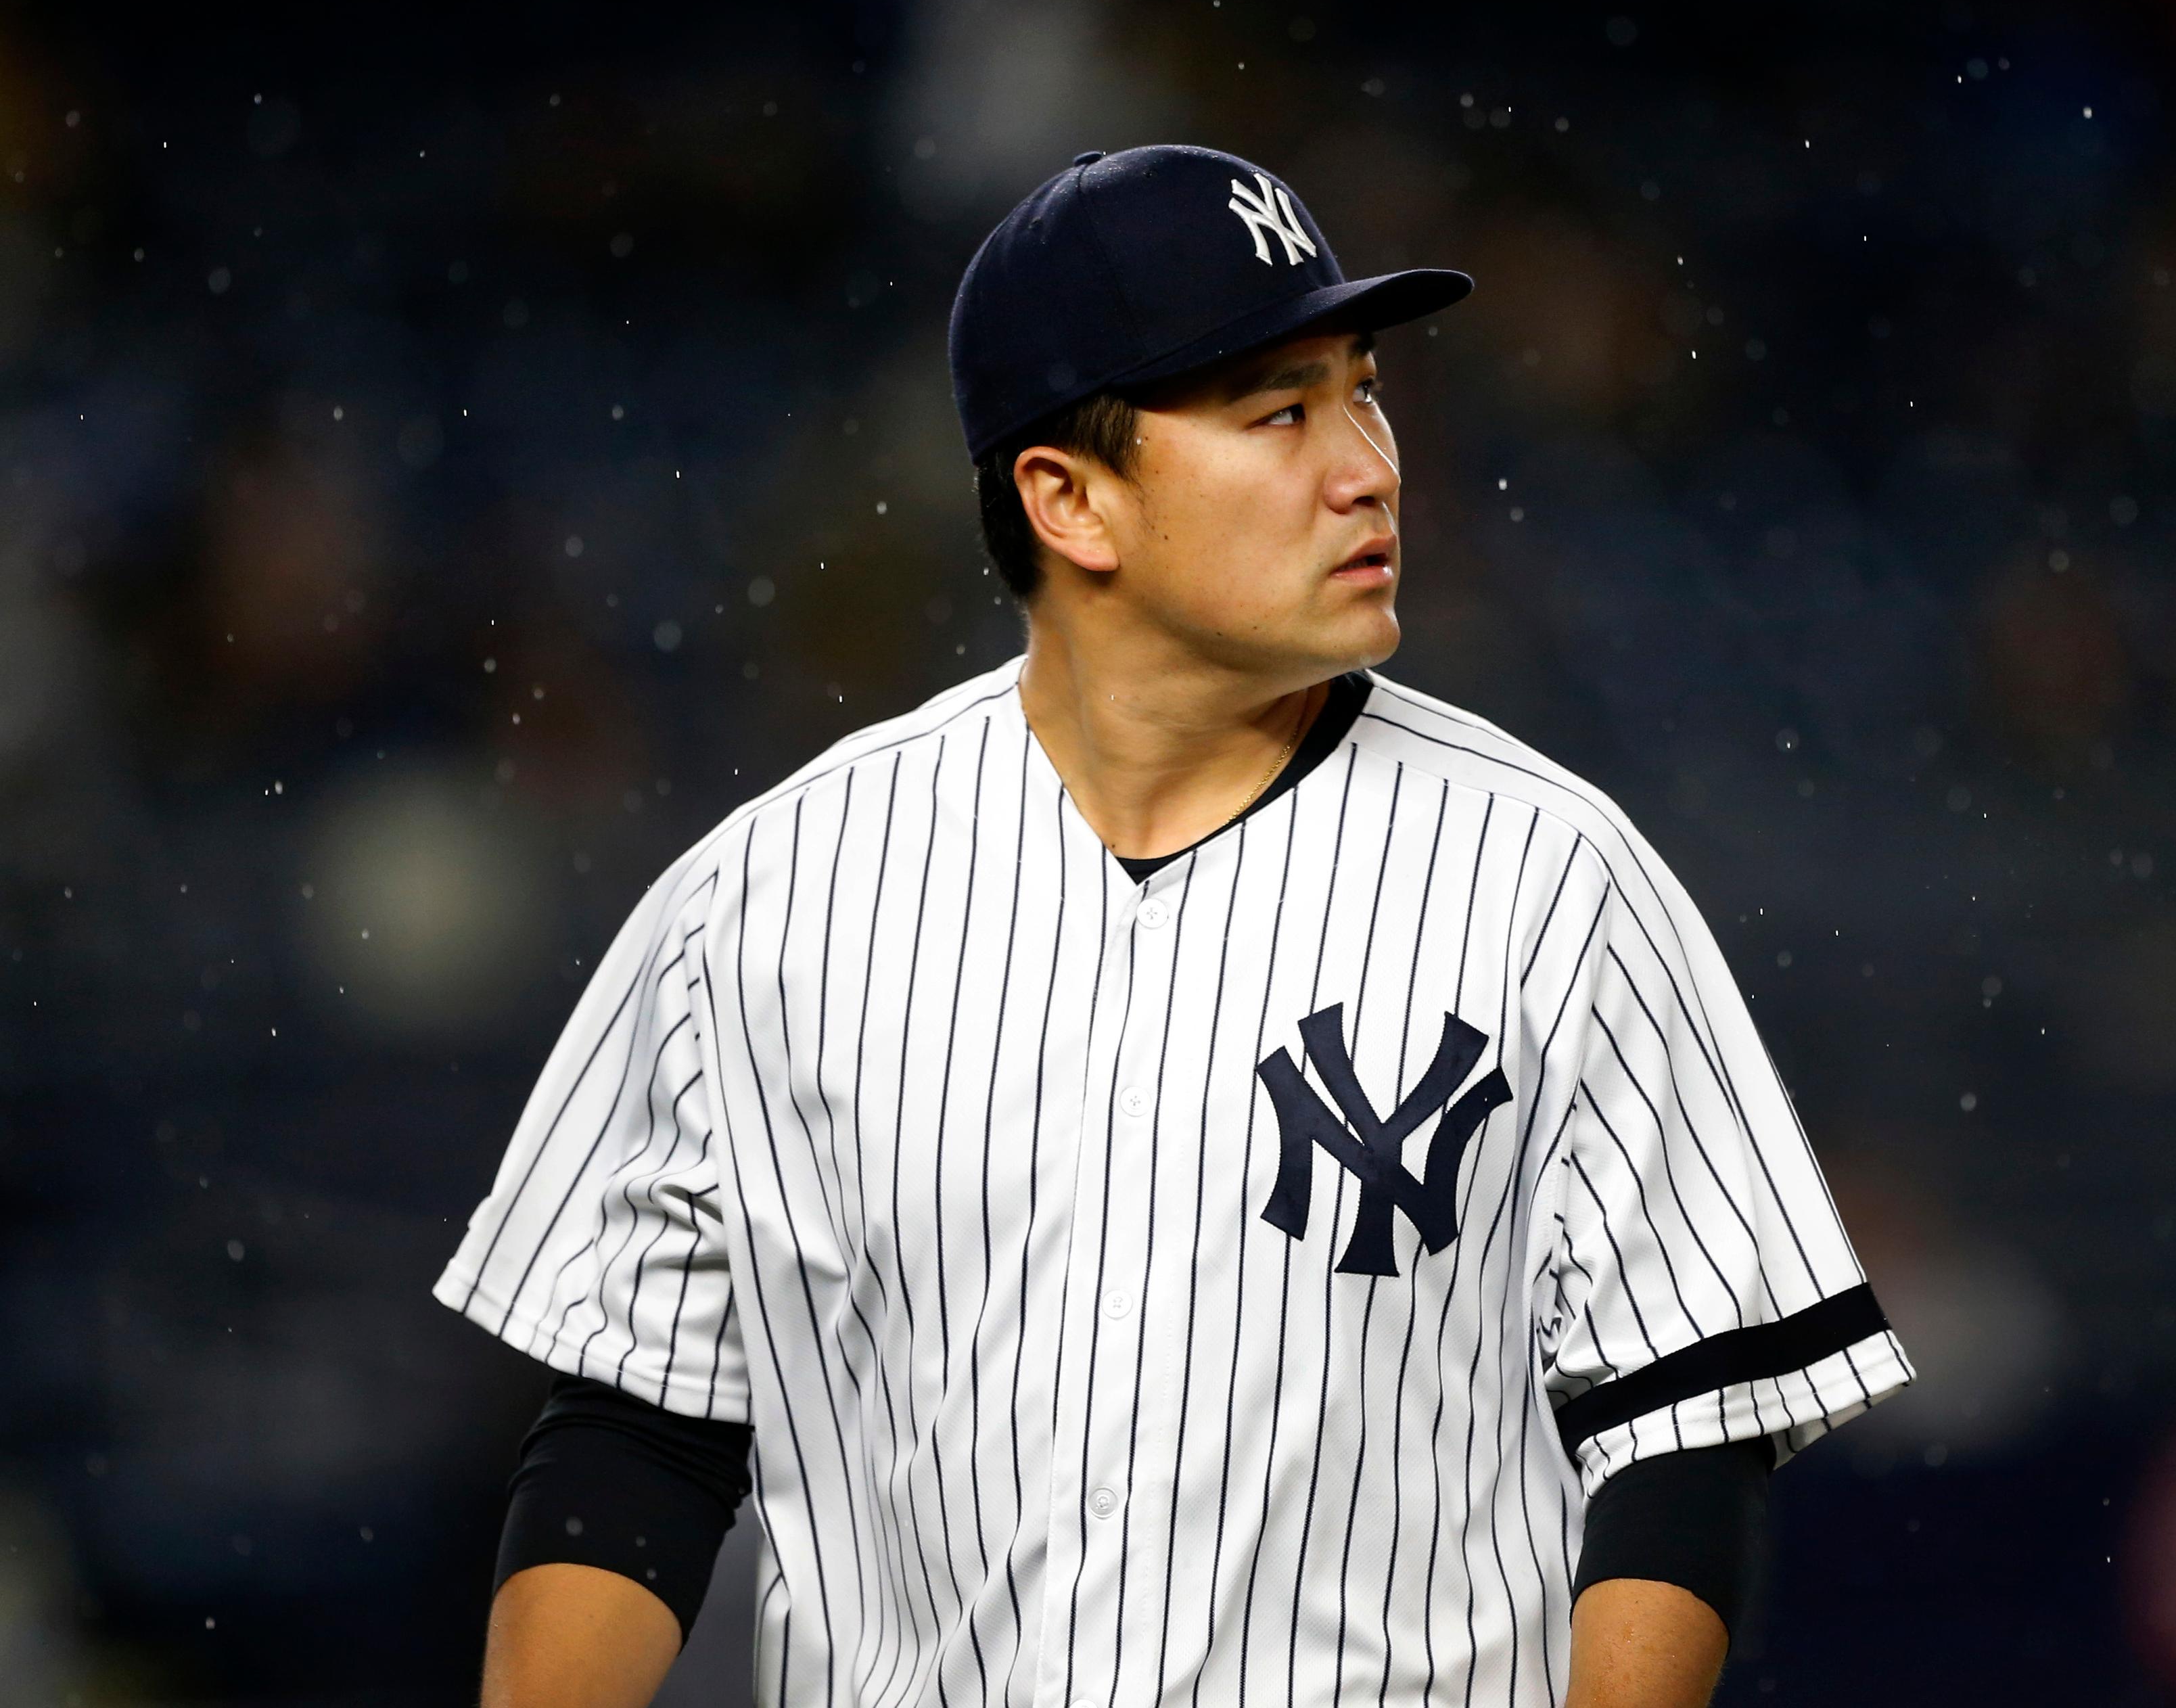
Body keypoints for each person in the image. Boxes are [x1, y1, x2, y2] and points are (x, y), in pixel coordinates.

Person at [439, 143, 1914, 1708]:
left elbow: (1685, 1433)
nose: (1365, 463)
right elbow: (637, 1432)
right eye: (1280, 411)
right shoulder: (767, 901)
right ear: (1070, 500)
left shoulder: (1551, 878)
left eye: (1364, 391)